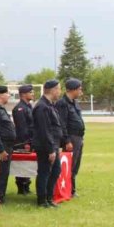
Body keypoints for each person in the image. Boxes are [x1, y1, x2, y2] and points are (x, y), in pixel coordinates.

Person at [32, 79, 63, 209]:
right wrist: (51, 149)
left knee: (55, 171)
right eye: (59, 89)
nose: (60, 92)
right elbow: (44, 130)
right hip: (45, 146)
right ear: (53, 90)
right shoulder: (42, 107)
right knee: (44, 172)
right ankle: (42, 200)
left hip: (53, 144)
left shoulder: (50, 105)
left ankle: (49, 198)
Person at [56, 78, 86, 198]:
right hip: (71, 138)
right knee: (70, 165)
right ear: (73, 89)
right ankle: (68, 189)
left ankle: (71, 189)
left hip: (78, 137)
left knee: (75, 165)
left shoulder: (74, 102)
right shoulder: (62, 103)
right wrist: (67, 140)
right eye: (79, 89)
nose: (81, 91)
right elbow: (62, 123)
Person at [12, 84, 35, 194]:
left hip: (30, 139)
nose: (32, 94)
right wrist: (26, 142)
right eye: (30, 92)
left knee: (27, 164)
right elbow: (22, 128)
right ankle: (21, 187)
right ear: (23, 94)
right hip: (23, 141)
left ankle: (27, 186)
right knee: (21, 164)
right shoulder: (19, 109)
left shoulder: (29, 106)